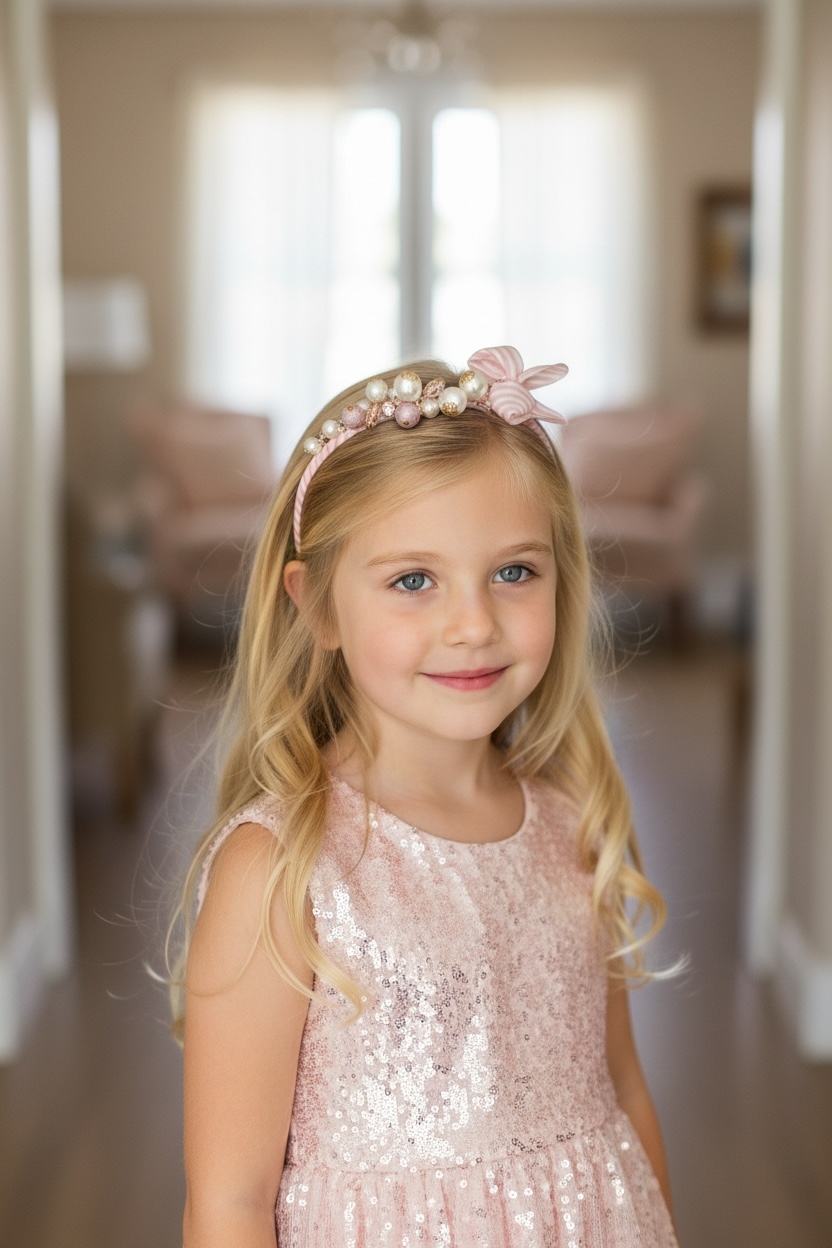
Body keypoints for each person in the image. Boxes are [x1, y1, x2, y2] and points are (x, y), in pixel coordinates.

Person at [171, 345, 679, 1247]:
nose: (474, 622)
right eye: (414, 580)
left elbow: (623, 1090)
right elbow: (229, 1202)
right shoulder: (284, 868)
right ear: (318, 606)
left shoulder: (574, 819)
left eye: (514, 572)